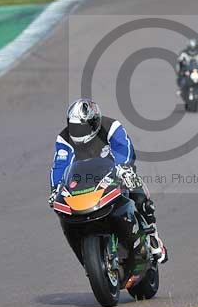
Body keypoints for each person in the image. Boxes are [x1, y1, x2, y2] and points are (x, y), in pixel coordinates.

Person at [49, 98, 167, 264]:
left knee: (138, 193)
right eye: (74, 126)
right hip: (85, 182)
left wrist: (123, 168)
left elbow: (124, 148)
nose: (77, 132)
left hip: (116, 174)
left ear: (94, 123)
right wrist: (55, 188)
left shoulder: (111, 127)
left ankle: (153, 236)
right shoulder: (64, 138)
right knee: (64, 210)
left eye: (82, 127)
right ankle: (86, 253)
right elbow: (60, 165)